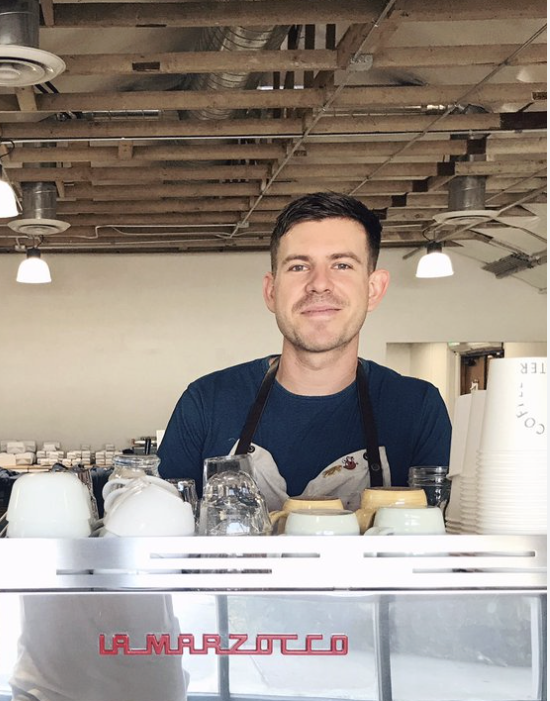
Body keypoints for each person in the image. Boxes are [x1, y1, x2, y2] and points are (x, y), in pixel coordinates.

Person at [157, 192, 452, 511]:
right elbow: (160, 528)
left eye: (342, 265)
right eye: (299, 266)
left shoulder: (416, 408)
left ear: (373, 289)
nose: (319, 284)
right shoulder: (206, 402)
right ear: (271, 291)